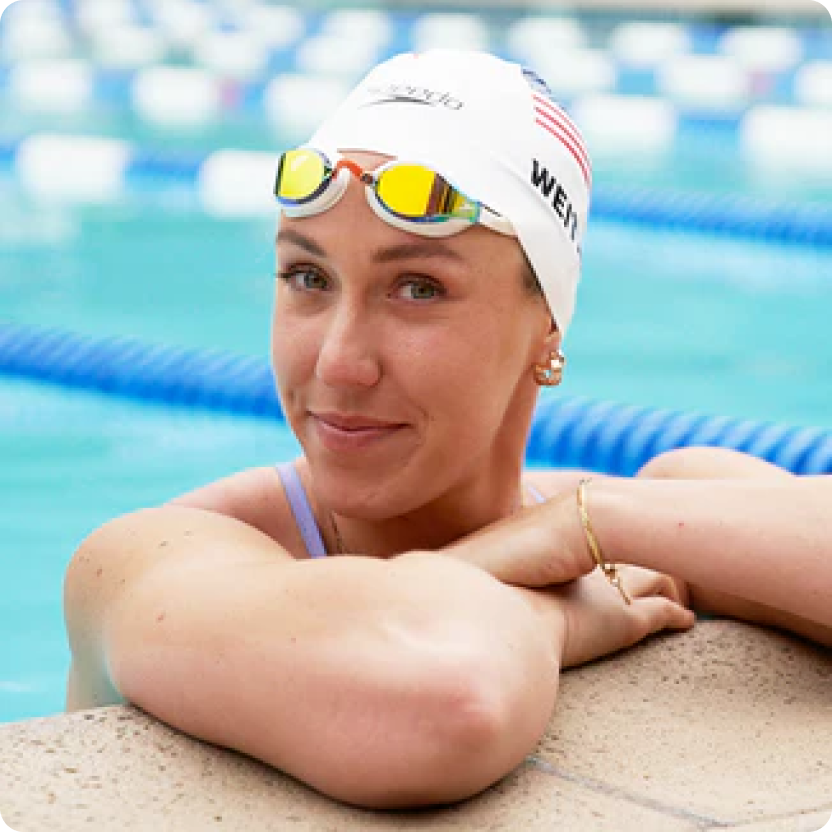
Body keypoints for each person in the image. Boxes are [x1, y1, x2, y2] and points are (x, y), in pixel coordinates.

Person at [62, 49, 830, 812]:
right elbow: (440, 703)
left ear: (546, 328)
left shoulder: (637, 520)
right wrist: (554, 607)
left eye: (418, 288)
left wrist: (593, 522)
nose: (339, 362)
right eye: (308, 278)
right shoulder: (155, 556)